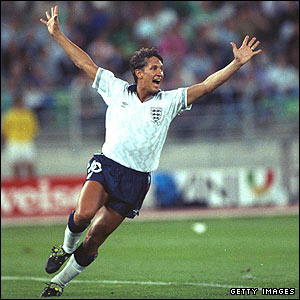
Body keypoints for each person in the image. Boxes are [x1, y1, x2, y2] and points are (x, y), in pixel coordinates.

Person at [39, 5, 262, 297]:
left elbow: (207, 86)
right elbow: (84, 63)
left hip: (136, 179)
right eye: (154, 68)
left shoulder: (168, 102)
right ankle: (64, 248)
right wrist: (57, 34)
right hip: (108, 166)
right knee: (83, 214)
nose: (161, 72)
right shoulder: (115, 89)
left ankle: (58, 284)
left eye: (162, 68)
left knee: (94, 239)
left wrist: (236, 64)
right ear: (139, 73)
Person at [1, 94, 39, 178]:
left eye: (21, 102)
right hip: (13, 141)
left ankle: (31, 185)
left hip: (26, 141)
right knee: (15, 165)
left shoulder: (28, 114)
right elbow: (4, 130)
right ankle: (17, 186)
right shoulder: (8, 115)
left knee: (30, 164)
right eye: (18, 102)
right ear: (14, 103)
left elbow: (34, 128)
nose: (20, 104)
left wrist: (30, 137)